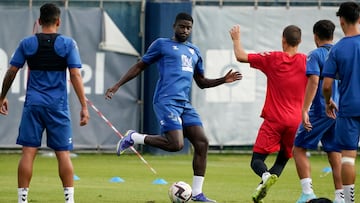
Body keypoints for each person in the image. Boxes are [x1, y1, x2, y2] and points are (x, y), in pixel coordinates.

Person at [105, 12, 242, 203]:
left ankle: (197, 193)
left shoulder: (194, 52)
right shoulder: (161, 45)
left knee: (202, 143)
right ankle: (133, 137)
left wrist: (223, 80)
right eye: (182, 26)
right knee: (176, 144)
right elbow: (139, 66)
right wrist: (117, 85)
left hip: (184, 104)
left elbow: (201, 82)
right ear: (174, 26)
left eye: (188, 27)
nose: (185, 30)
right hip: (165, 100)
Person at [0, 3, 89, 203]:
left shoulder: (27, 43)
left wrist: (1, 96)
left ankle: (22, 200)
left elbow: (12, 71)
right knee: (63, 154)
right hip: (58, 106)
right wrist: (84, 106)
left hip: (33, 105)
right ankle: (69, 200)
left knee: (28, 153)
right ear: (58, 21)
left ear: (39, 22)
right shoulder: (68, 44)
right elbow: (75, 74)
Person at [229, 24, 307, 203]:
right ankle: (261, 188)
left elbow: (241, 56)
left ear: (283, 40)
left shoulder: (273, 58)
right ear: (300, 41)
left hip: (275, 119)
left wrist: (236, 39)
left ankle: (264, 176)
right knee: (282, 159)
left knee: (256, 160)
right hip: (296, 122)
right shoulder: (306, 61)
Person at [293, 20, 344, 203]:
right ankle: (340, 197)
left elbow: (314, 82)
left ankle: (307, 193)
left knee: (298, 147)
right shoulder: (340, 53)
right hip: (339, 110)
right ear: (332, 34)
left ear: (315, 36)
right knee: (334, 152)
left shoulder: (315, 55)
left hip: (321, 109)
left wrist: (305, 109)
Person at [322, 2, 360, 203]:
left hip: (348, 108)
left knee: (347, 157)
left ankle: (349, 201)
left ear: (341, 21)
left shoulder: (336, 50)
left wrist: (329, 102)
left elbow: (327, 86)